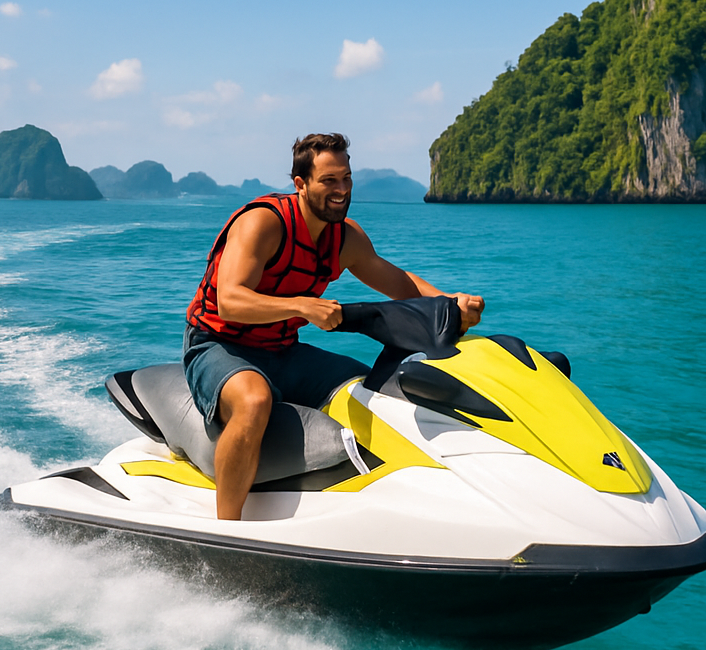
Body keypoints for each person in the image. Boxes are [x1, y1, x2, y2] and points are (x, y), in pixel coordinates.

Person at [183, 133, 484, 519]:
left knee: (373, 390)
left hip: (281, 348)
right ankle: (228, 530)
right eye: (329, 181)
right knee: (254, 402)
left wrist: (450, 304)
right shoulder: (263, 223)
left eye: (346, 178)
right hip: (217, 344)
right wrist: (301, 306)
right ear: (301, 184)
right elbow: (230, 301)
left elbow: (400, 283)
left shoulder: (344, 238)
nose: (341, 190)